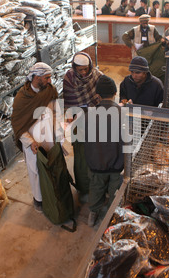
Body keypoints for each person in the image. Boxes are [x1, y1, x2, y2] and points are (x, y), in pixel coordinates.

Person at [11, 62, 59, 212]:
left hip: (49, 138)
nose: (50, 81)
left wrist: (59, 131)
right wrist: (30, 142)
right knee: (36, 171)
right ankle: (39, 200)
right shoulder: (22, 98)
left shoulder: (50, 91)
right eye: (47, 77)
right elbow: (18, 125)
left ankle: (53, 195)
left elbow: (56, 110)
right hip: (34, 142)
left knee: (52, 166)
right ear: (36, 77)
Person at [83, 75, 125, 226]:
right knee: (115, 192)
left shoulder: (89, 116)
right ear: (115, 93)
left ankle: (93, 213)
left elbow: (86, 142)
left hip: (97, 165)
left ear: (98, 96)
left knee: (96, 189)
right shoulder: (124, 115)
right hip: (117, 166)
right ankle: (112, 216)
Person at [63, 52, 103, 200]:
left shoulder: (97, 75)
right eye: (80, 70)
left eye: (86, 69)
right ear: (74, 68)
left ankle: (97, 184)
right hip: (77, 119)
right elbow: (68, 101)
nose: (84, 72)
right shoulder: (69, 78)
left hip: (94, 116)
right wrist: (69, 119)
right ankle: (83, 188)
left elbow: (104, 93)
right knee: (80, 155)